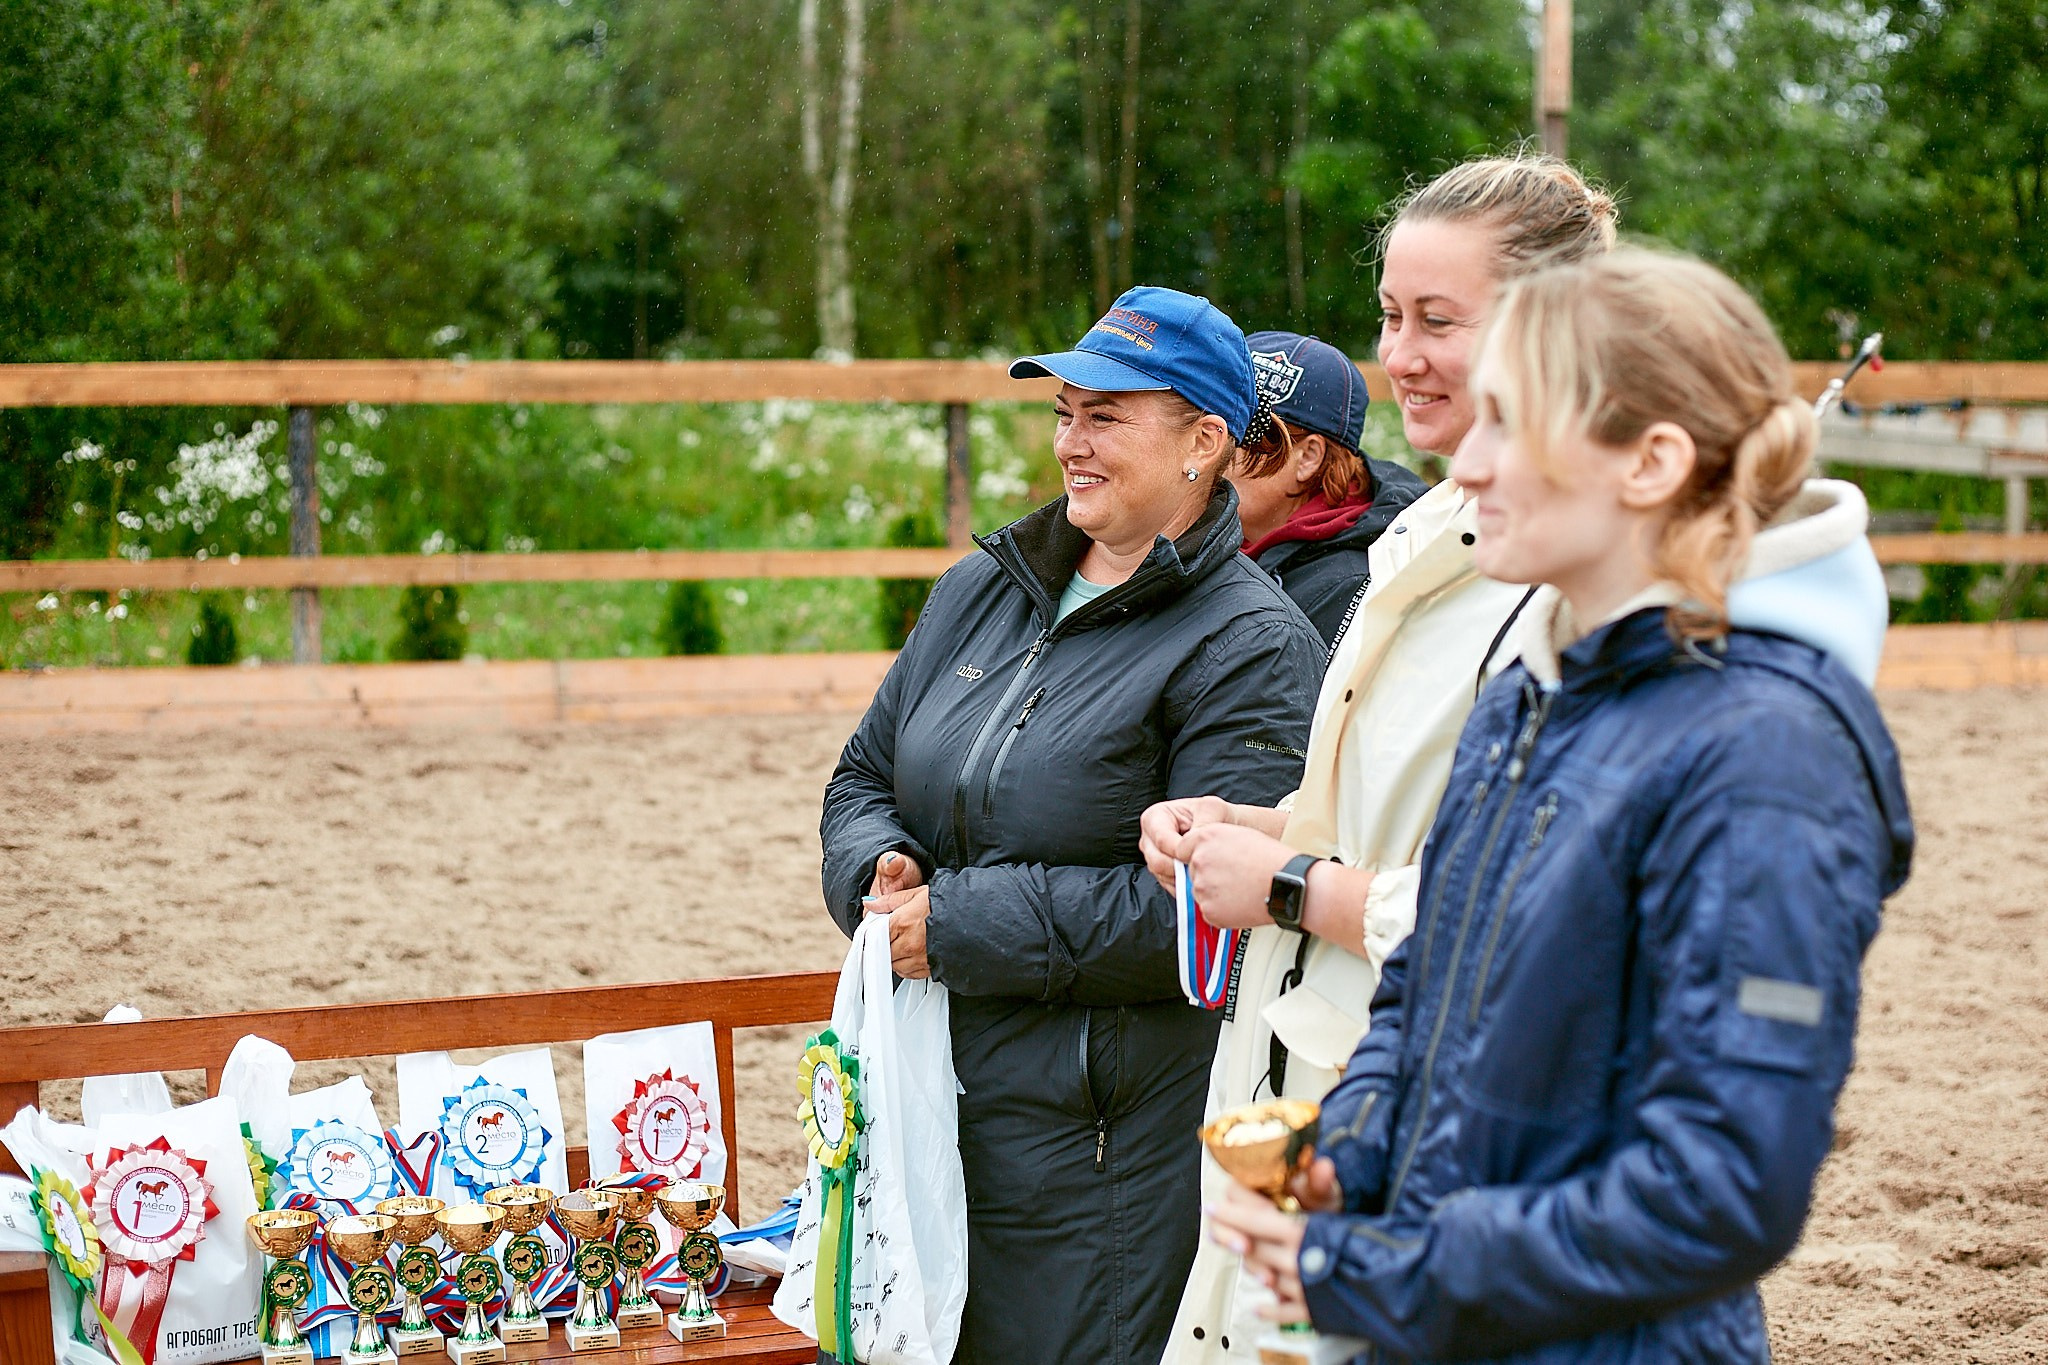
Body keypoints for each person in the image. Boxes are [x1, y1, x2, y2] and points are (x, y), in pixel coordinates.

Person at [1207, 246, 1914, 1363]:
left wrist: (1382, 1269)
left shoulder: (1764, 760)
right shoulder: (1526, 697)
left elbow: (1721, 1188)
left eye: (1507, 424)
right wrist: (1352, 1146)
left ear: (1649, 462)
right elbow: (1425, 985)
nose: (1465, 466)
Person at [1149, 152, 1618, 1365]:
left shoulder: (1586, 584)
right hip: (1313, 1071)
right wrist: (1256, 826)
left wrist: (1298, 891)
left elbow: (1552, 922)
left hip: (1458, 1110)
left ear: (1549, 329)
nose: (1396, 355)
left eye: (1436, 322)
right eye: (1388, 318)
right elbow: (1386, 813)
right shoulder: (1414, 531)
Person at [819, 285, 1326, 1365]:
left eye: (1105, 416)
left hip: (1098, 1141)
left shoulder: (1250, 647)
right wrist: (879, 866)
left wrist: (956, 925)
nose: (1070, 444)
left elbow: (1207, 915)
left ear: (1202, 440)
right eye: (1063, 413)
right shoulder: (980, 590)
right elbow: (862, 775)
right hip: (933, 1101)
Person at [1230, 331, 1427, 647]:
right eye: (1209, 425)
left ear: (1308, 457)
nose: (1211, 450)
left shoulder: (1349, 590)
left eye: (1243, 432)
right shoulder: (1213, 536)